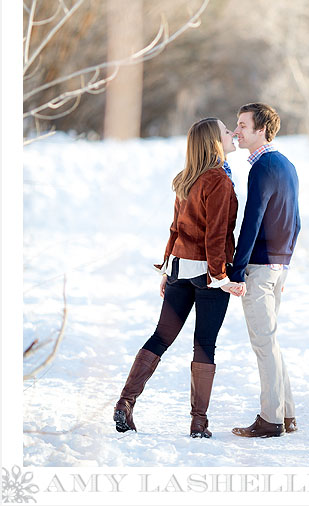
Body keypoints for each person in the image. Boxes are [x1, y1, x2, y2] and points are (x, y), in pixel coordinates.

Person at [114, 118, 243, 438]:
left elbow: (176, 228)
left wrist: (166, 269)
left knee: (160, 337)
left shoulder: (186, 178)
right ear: (215, 141)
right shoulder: (219, 181)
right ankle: (199, 422)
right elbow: (215, 236)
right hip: (206, 275)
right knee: (204, 345)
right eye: (226, 132)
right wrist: (220, 277)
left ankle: (125, 402)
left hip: (178, 270)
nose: (231, 135)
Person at [229, 103, 301, 439]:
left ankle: (270, 420)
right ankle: (286, 415)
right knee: (271, 341)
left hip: (258, 268)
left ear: (262, 130)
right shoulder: (287, 165)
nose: (237, 131)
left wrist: (236, 270)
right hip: (277, 266)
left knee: (264, 344)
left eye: (243, 125)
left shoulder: (261, 167)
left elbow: (251, 222)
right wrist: (284, 263)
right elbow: (296, 223)